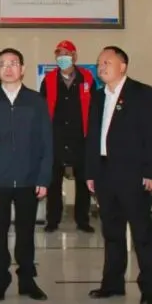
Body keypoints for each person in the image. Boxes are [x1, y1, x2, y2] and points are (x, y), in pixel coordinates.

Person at [85, 46, 152, 304]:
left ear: (123, 66)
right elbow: (92, 136)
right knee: (112, 232)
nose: (102, 67)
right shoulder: (98, 96)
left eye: (107, 62)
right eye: (99, 63)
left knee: (142, 232)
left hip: (134, 173)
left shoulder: (142, 93)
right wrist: (91, 171)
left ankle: (150, 287)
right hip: (104, 173)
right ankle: (112, 283)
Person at [0, 47, 51, 301]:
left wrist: (44, 177)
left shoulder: (36, 101)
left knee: (26, 233)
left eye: (13, 63)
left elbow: (46, 142)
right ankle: (0, 279)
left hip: (29, 179)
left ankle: (27, 280)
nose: (8, 68)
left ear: (22, 69)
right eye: (3, 64)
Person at [40, 39, 96, 233]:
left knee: (83, 181)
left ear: (74, 56)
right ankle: (53, 220)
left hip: (81, 137)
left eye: (66, 54)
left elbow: (94, 107)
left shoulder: (87, 78)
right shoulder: (49, 80)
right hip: (55, 137)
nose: (62, 57)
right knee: (53, 182)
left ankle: (83, 220)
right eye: (59, 54)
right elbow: (42, 109)